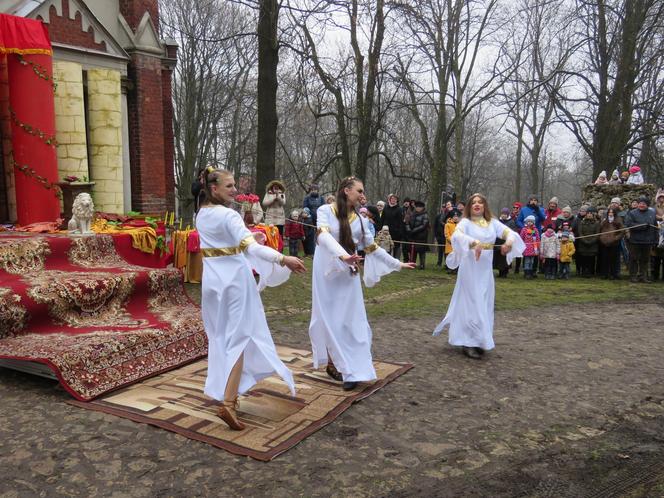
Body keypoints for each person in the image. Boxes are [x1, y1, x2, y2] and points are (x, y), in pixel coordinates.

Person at [196, 168, 306, 430]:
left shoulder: (201, 213)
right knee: (240, 337)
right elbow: (252, 249)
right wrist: (283, 258)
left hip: (212, 282)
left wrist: (249, 238)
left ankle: (225, 391)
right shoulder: (228, 214)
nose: (235, 190)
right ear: (214, 189)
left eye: (235, 185)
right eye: (229, 186)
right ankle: (229, 402)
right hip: (234, 282)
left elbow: (228, 243)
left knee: (221, 336)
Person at [309, 177, 415, 390]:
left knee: (352, 320)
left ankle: (352, 370)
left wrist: (397, 264)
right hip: (327, 272)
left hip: (349, 271)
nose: (362, 194)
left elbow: (372, 247)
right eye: (359, 190)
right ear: (347, 191)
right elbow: (322, 238)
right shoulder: (325, 211)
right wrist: (343, 256)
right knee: (330, 319)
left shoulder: (362, 220)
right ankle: (335, 363)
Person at [433, 194, 525, 359]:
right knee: (472, 304)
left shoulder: (492, 223)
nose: (476, 204)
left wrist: (508, 243)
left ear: (485, 206)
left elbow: (510, 233)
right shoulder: (465, 223)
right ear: (469, 206)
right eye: (473, 202)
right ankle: (468, 342)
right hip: (469, 270)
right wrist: (474, 243)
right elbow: (457, 236)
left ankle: (479, 339)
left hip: (484, 272)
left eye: (480, 202)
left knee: (484, 303)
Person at [625, 196, 658, 282]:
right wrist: (642, 225)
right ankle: (633, 276)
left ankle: (643, 276)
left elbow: (655, 227)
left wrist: (655, 239)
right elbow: (629, 224)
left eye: (643, 204)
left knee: (645, 259)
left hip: (648, 241)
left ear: (647, 205)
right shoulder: (632, 213)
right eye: (640, 203)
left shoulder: (652, 213)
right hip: (635, 240)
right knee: (634, 258)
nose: (641, 205)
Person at [598, 207, 624, 279]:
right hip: (604, 243)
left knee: (614, 259)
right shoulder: (604, 220)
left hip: (614, 243)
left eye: (612, 212)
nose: (610, 213)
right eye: (609, 212)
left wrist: (616, 238)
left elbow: (622, 231)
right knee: (605, 259)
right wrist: (601, 238)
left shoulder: (618, 220)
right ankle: (605, 274)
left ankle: (614, 274)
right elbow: (600, 230)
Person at [406, 200, 430, 269]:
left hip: (421, 236)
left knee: (421, 251)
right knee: (413, 250)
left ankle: (422, 265)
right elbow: (407, 222)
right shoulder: (412, 214)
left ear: (422, 208)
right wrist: (408, 229)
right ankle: (412, 263)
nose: (418, 208)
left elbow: (424, 225)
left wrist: (414, 230)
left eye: (420, 207)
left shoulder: (425, 215)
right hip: (413, 236)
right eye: (417, 207)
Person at [577, 208, 600, 277]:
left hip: (593, 244)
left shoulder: (596, 223)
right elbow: (580, 233)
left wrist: (591, 241)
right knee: (584, 259)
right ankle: (584, 271)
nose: (589, 215)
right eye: (588, 213)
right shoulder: (582, 223)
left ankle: (591, 272)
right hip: (583, 244)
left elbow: (597, 234)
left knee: (591, 259)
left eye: (591, 214)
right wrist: (585, 241)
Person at [382, 194, 405, 259]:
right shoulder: (386, 207)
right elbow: (382, 219)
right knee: (386, 248)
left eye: (395, 199)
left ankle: (396, 263)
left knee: (396, 248)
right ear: (389, 199)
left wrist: (400, 232)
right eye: (392, 198)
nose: (393, 200)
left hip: (396, 232)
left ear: (397, 200)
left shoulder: (399, 209)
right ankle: (387, 261)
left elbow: (401, 221)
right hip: (386, 232)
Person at [444, 209, 461, 274]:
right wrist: (452, 241)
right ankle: (450, 268)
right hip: (450, 244)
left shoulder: (460, 225)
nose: (456, 218)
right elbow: (447, 234)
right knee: (450, 256)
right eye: (454, 216)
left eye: (457, 216)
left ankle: (456, 269)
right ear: (451, 217)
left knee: (457, 256)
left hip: (458, 244)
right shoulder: (447, 224)